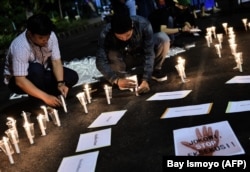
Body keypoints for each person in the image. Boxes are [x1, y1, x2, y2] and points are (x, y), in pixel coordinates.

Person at [3, 14, 79, 107]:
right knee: (35, 68)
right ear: (30, 34)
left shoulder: (50, 36)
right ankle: (38, 102)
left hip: (42, 72)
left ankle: (47, 94)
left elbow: (56, 61)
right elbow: (20, 81)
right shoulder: (20, 46)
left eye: (47, 37)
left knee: (71, 76)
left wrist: (60, 83)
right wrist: (46, 97)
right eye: (41, 38)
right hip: (18, 80)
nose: (45, 41)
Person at [96, 14, 170, 95]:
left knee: (162, 38)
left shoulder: (143, 24)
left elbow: (149, 52)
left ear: (132, 27)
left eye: (128, 35)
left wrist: (146, 79)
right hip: (122, 58)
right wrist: (115, 79)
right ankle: (123, 78)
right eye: (120, 37)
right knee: (111, 53)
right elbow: (100, 60)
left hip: (140, 53)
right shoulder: (105, 33)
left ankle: (154, 71)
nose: (124, 39)